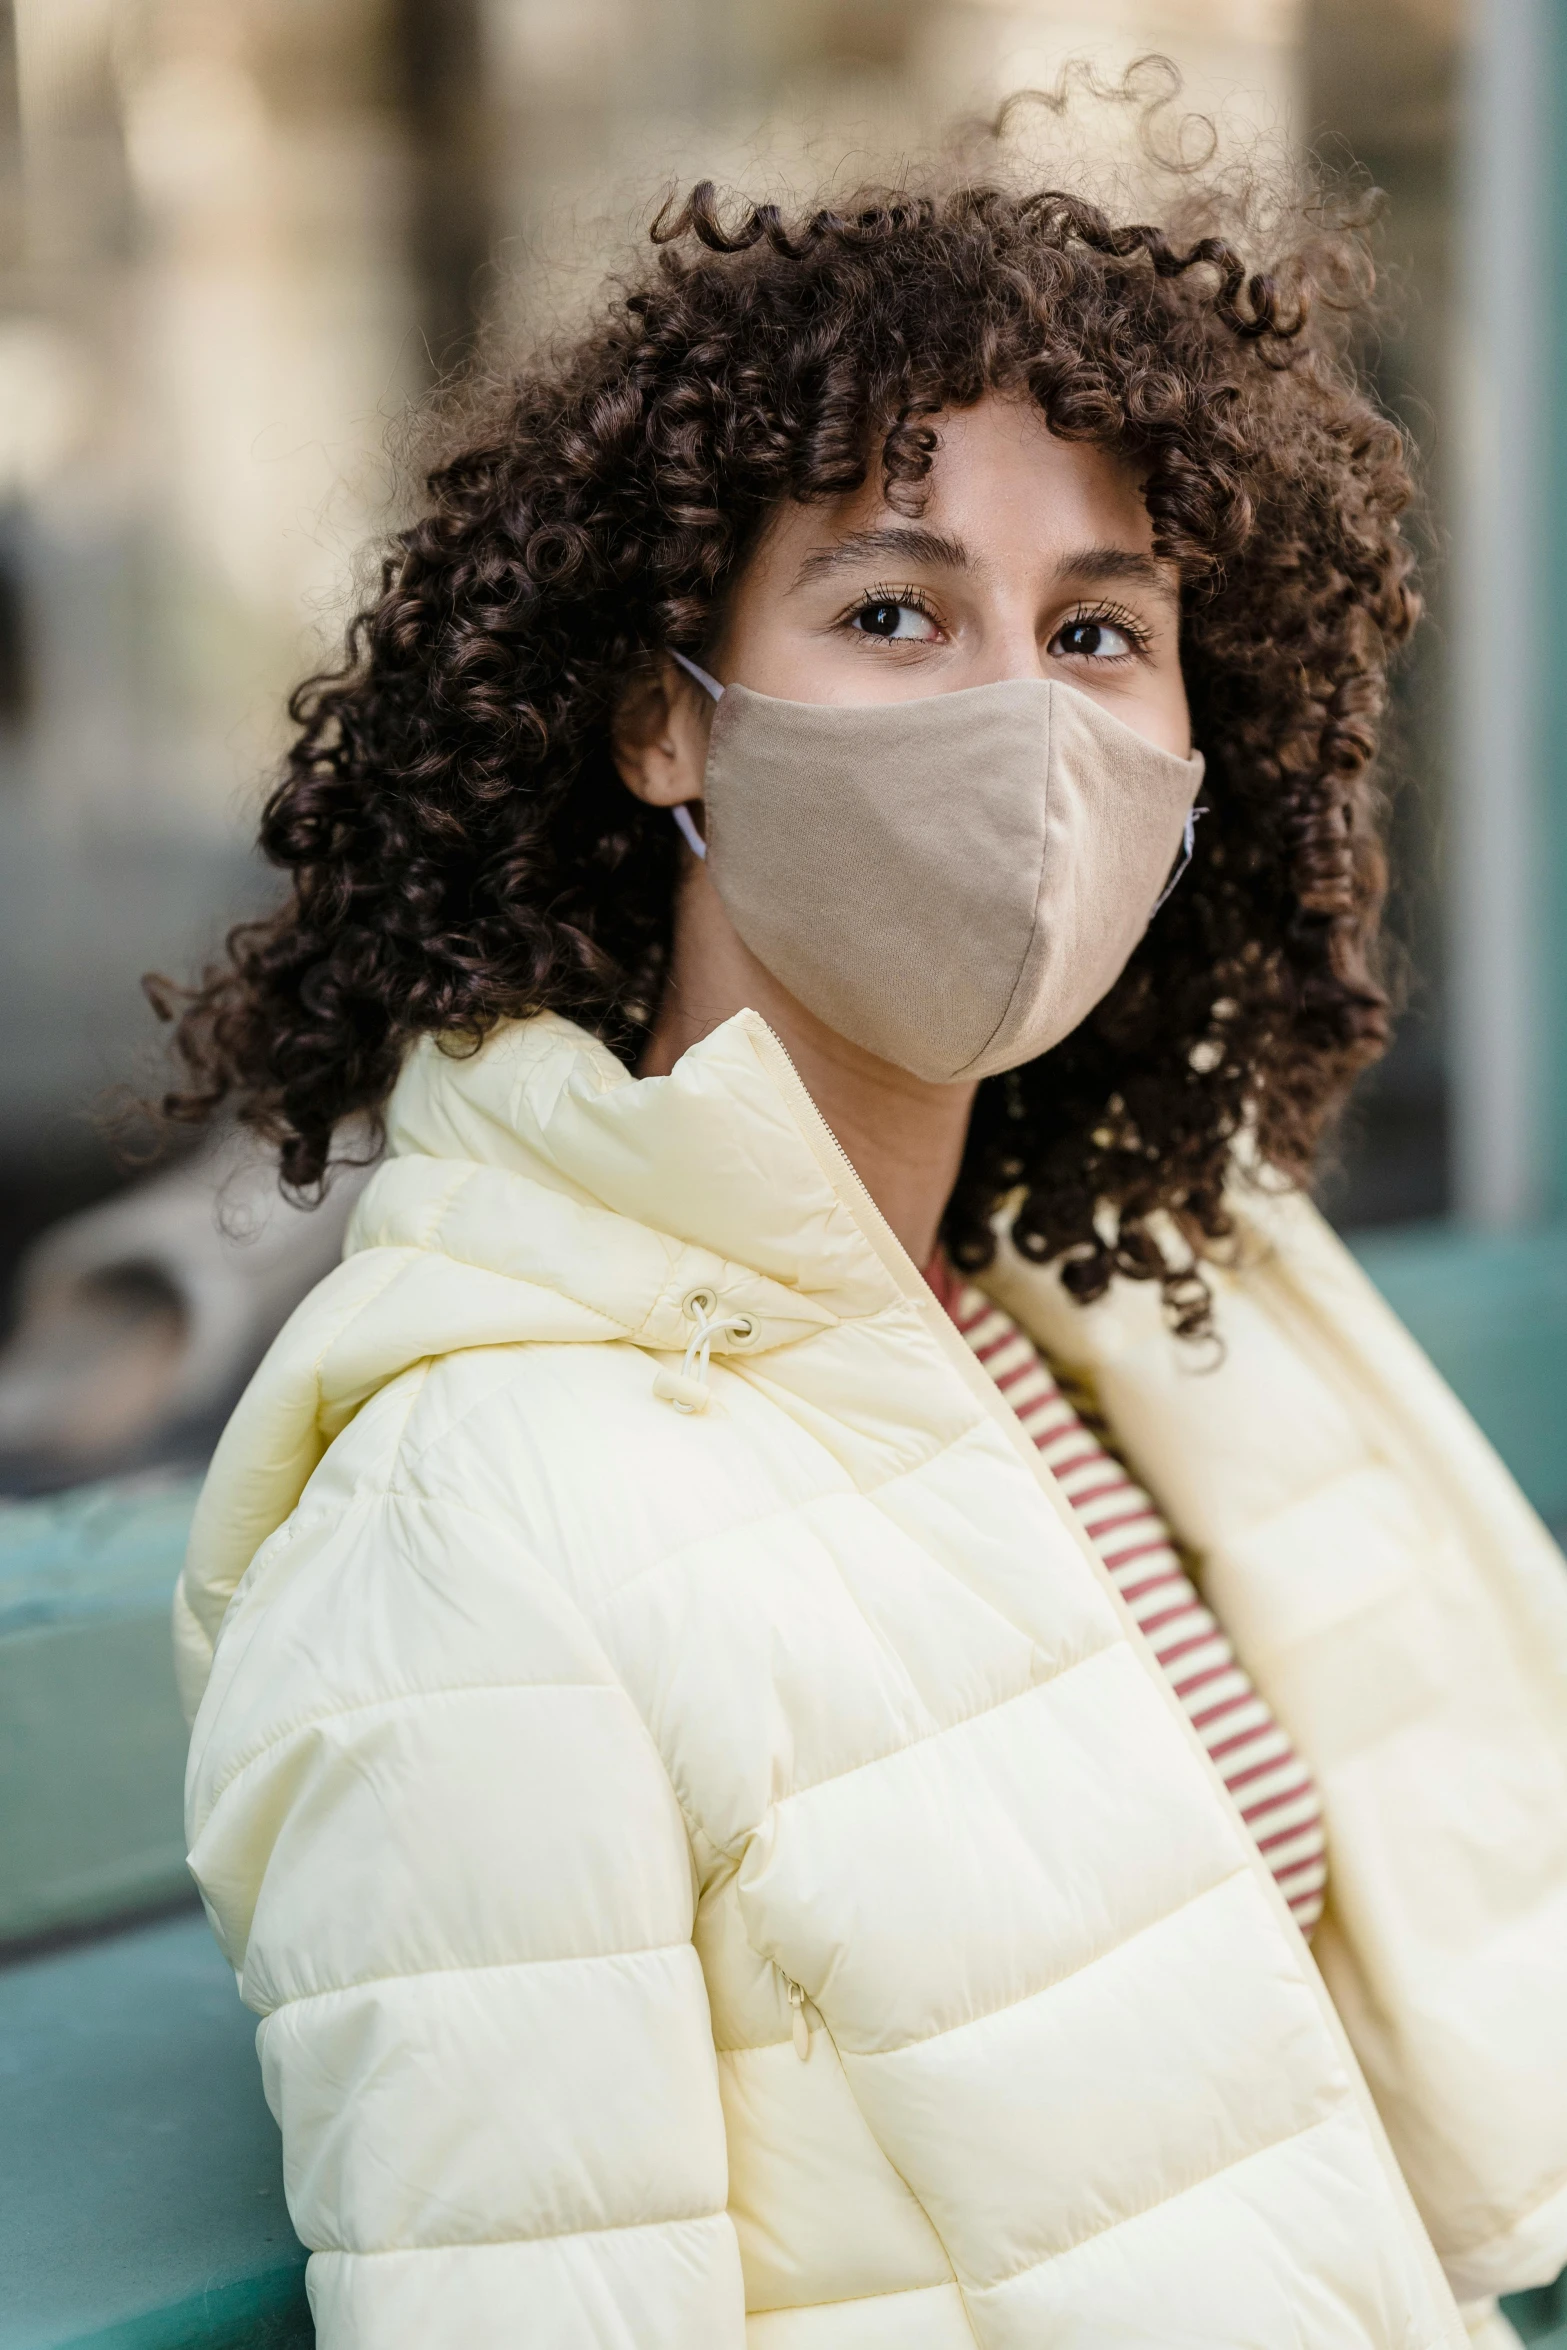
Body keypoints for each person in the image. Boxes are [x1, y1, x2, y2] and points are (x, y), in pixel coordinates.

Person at [159, 109, 1567, 2350]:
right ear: (656, 720)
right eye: (893, 608)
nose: (1020, 718)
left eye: (1101, 627)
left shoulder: (1072, 1322)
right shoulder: (469, 1514)